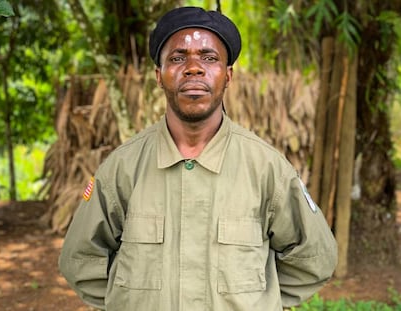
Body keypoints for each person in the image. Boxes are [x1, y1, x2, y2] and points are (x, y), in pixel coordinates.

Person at [59, 6, 338, 311]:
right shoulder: (122, 169)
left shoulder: (267, 168)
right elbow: (80, 259)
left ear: (228, 75)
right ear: (159, 75)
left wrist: (259, 302)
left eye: (209, 58)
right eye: (178, 58)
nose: (193, 68)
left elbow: (314, 258)